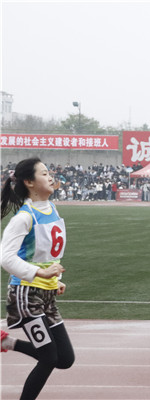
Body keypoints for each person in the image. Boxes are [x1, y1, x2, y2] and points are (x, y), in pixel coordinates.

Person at [0, 157, 75, 399]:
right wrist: (40, 273)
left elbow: (44, 255)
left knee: (64, 359)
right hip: (25, 294)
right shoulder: (24, 217)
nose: (50, 177)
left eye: (49, 172)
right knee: (48, 358)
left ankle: (7, 343)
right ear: (29, 182)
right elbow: (6, 258)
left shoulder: (52, 209)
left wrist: (54, 279)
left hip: (47, 293)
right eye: (44, 174)